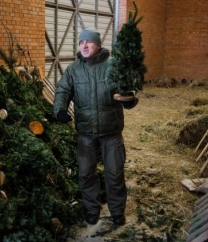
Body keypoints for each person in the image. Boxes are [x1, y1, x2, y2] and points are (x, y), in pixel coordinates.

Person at [53, 28, 137, 226]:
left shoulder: (112, 66)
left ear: (98, 45)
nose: (84, 45)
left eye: (88, 42)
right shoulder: (74, 69)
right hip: (85, 132)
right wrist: (60, 110)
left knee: (115, 173)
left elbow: (126, 90)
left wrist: (128, 99)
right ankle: (92, 208)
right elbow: (62, 91)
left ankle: (117, 211)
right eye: (81, 42)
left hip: (111, 132)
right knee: (86, 173)